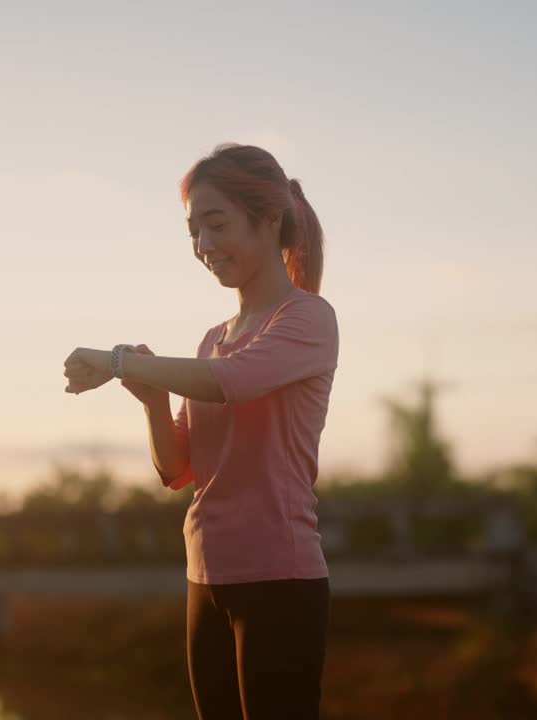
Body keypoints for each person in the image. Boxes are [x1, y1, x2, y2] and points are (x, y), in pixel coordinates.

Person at [62, 142, 337, 720]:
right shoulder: (214, 337)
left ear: (268, 219)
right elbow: (178, 470)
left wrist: (119, 362)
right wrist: (153, 401)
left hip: (279, 580)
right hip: (205, 577)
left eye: (217, 224)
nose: (203, 246)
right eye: (193, 231)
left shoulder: (309, 318)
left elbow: (232, 381)